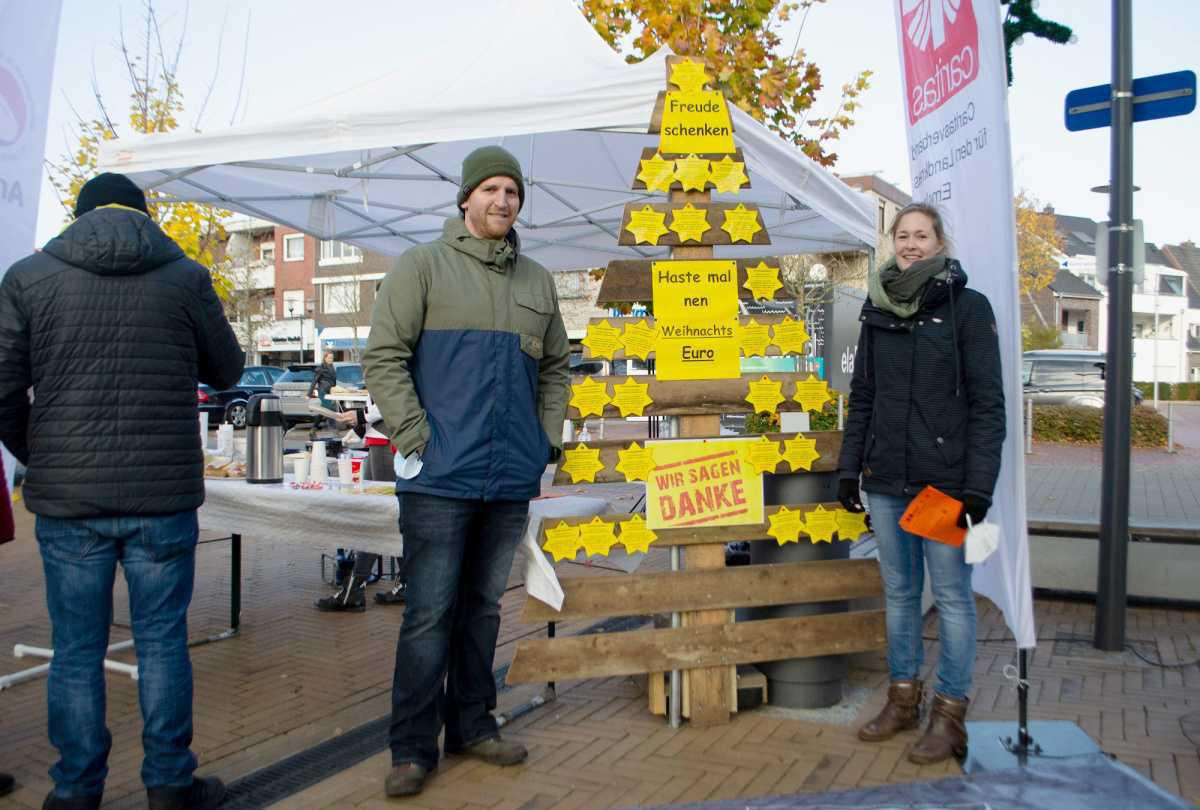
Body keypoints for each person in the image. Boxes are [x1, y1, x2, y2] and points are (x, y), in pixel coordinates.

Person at [0, 172, 244, 810]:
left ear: (78, 216)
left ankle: (75, 792)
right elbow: (229, 371)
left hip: (68, 501)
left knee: (75, 649)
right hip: (160, 498)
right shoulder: (186, 276)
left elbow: (0, 389)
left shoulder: (28, 277)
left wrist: (42, 454)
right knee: (163, 639)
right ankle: (168, 784)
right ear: (144, 216)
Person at [363, 145, 570, 797]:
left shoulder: (536, 281)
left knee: (482, 610)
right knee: (429, 613)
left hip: (508, 476)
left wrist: (545, 439)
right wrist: (414, 434)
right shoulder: (421, 267)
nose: (503, 201)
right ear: (465, 198)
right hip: (437, 478)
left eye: (512, 191)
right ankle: (412, 747)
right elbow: (383, 358)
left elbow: (557, 368)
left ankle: (474, 725)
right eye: (491, 189)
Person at [837, 202, 1005, 765]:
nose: (910, 244)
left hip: (943, 486)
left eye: (920, 235)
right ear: (893, 242)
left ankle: (949, 716)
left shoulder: (968, 309)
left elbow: (988, 405)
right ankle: (902, 699)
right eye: (902, 235)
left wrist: (978, 488)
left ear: (939, 243)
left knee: (953, 599)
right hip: (886, 480)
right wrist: (848, 467)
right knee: (901, 596)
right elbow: (864, 395)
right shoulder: (877, 307)